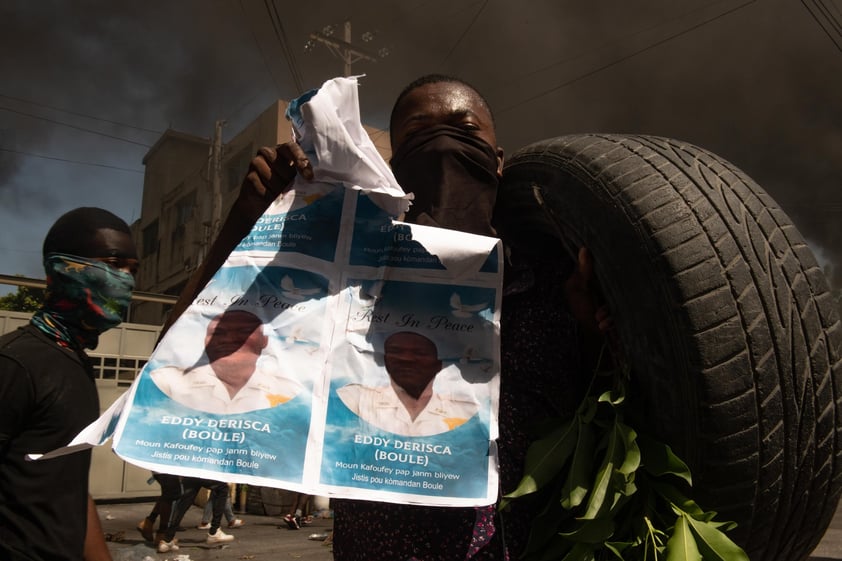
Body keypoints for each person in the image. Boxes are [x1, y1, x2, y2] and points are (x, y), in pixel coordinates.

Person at [161, 74, 610, 559]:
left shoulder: (552, 278)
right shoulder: (351, 281)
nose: (443, 145)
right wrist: (247, 218)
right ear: (396, 168)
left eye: (465, 130)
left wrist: (593, 327)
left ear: (498, 161)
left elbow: (604, 409)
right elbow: (179, 357)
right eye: (419, 134)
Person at [0, 207, 139, 561]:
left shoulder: (75, 362)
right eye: (112, 262)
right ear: (60, 269)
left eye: (131, 269)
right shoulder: (15, 364)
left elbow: (71, 490)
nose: (126, 279)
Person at [150, 309, 302, 413]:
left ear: (264, 340)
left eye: (244, 332)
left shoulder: (290, 392)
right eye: (218, 333)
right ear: (205, 341)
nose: (229, 340)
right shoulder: (165, 382)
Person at [337, 331, 479, 436]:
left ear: (438, 365)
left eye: (420, 353)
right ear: (386, 361)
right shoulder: (353, 398)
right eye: (396, 351)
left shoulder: (465, 412)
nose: (406, 359)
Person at [136, 474, 235, 552]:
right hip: (196, 467)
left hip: (190, 469)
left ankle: (167, 539)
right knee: (222, 488)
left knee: (184, 499)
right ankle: (214, 531)